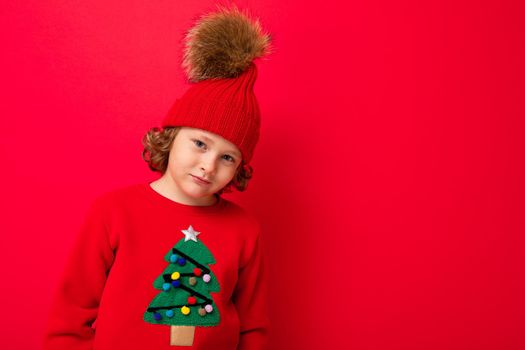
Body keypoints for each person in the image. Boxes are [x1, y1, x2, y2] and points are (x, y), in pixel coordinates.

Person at [43, 5, 272, 349]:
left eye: (227, 157)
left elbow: (253, 328)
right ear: (171, 136)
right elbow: (70, 317)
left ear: (239, 168)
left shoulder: (244, 230)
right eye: (199, 143)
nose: (208, 166)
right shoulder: (113, 211)